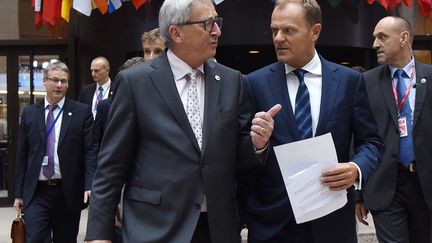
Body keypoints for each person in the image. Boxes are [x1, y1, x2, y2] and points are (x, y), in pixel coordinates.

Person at [85, 0, 281, 242]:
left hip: (217, 229)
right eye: (207, 24)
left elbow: (238, 157)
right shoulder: (135, 83)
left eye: (217, 23)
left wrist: (257, 144)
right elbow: (111, 166)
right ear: (176, 32)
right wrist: (98, 235)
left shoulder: (233, 81)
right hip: (154, 228)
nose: (217, 31)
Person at [241, 0, 383, 242]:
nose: (278, 38)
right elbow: (239, 152)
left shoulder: (349, 82)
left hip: (332, 222)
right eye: (275, 30)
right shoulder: (254, 83)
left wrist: (355, 169)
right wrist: (258, 145)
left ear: (315, 31)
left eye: (288, 30)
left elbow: (372, 142)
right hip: (274, 224)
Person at [357, 16, 432, 243]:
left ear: (404, 38)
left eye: (382, 37)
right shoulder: (365, 82)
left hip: (426, 185)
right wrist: (358, 193)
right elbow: (358, 137)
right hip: (385, 186)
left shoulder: (430, 76)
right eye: (374, 38)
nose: (375, 44)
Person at [14, 61, 96, 243]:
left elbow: (90, 151)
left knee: (65, 239)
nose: (59, 85)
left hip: (67, 191)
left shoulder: (81, 112)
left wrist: (89, 184)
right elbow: (21, 155)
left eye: (64, 81)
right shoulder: (29, 113)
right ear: (44, 81)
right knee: (34, 238)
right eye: (55, 80)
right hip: (37, 191)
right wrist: (18, 193)